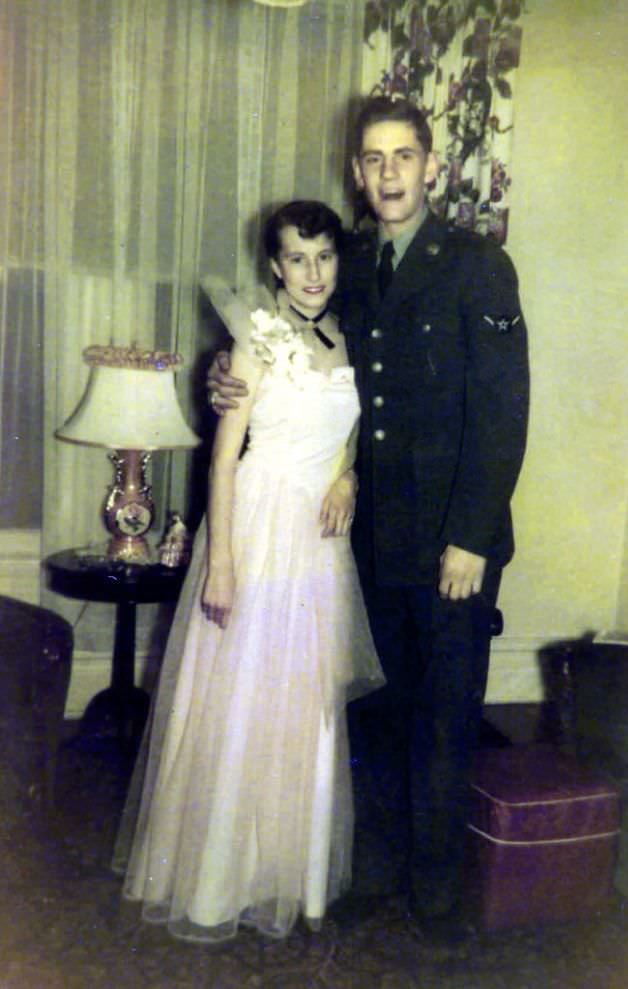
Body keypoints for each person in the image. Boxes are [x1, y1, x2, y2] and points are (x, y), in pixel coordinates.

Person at [208, 96, 529, 937]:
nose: (388, 173)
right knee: (388, 707)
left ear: (433, 166)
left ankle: (436, 896)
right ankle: (384, 867)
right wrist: (223, 373)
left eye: (403, 156)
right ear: (358, 172)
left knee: (446, 713)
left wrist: (469, 536)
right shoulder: (345, 259)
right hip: (374, 537)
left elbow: (502, 411)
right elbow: (287, 335)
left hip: (451, 541)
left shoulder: (476, 265)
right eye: (373, 159)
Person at [112, 200, 384, 943]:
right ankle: (216, 879)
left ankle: (287, 874)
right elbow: (223, 457)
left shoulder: (350, 337)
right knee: (244, 702)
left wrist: (348, 475)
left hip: (320, 545)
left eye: (323, 256)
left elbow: (352, 431)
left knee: (304, 707)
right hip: (259, 529)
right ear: (274, 265)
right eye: (296, 258)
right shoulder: (255, 338)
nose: (312, 273)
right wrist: (221, 564)